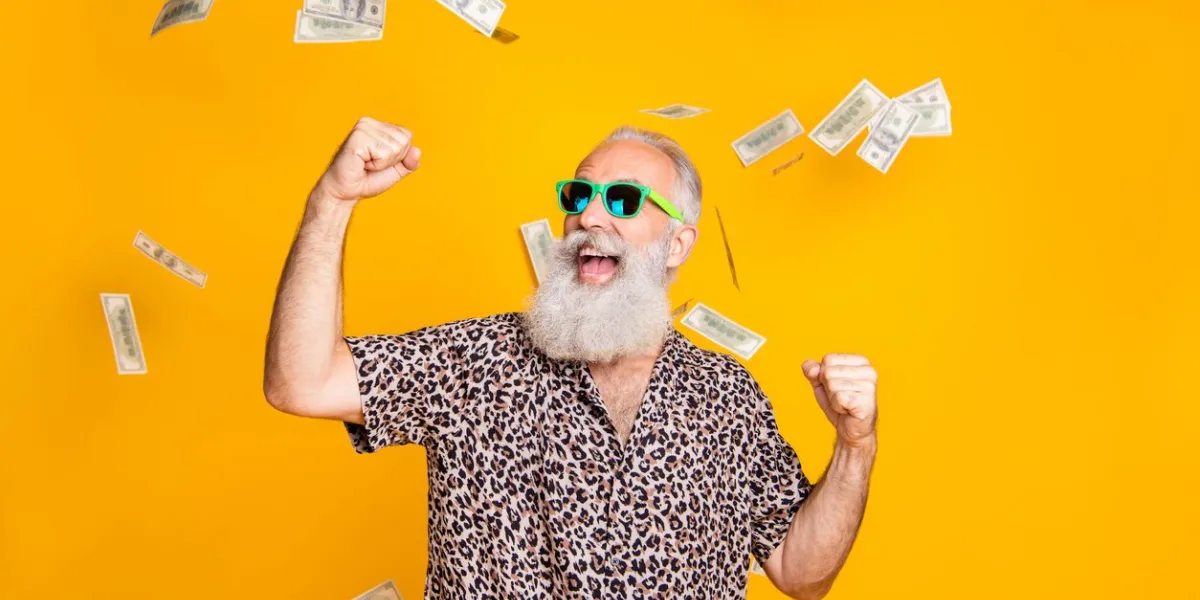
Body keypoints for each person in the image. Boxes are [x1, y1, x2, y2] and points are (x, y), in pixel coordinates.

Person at [263, 117, 880, 600]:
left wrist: (855, 444)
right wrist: (334, 199)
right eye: (580, 194)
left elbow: (802, 574)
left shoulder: (727, 396)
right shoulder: (476, 361)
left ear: (677, 244)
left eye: (623, 200)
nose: (588, 215)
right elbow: (303, 383)